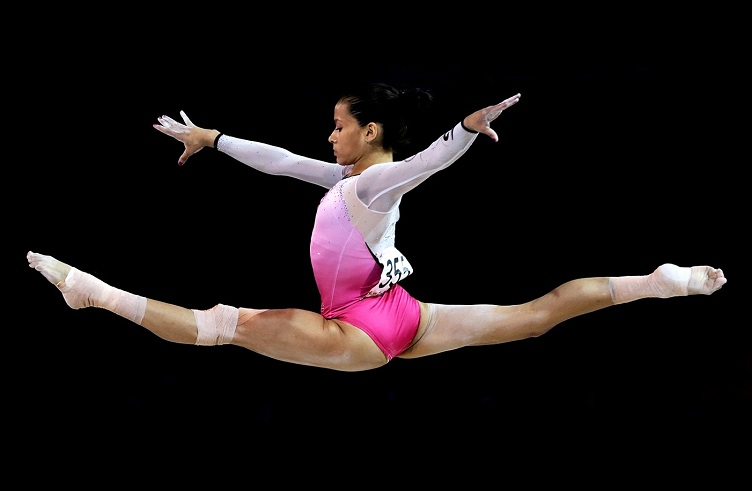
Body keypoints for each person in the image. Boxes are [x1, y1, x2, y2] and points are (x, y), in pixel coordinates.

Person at [26, 83, 727, 372]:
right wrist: (215, 140)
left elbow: (423, 164)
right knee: (535, 316)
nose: (329, 137)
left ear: (369, 131)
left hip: (359, 330)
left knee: (220, 325)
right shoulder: (345, 181)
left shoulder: (374, 181)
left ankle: (93, 294)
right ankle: (656, 282)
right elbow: (280, 161)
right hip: (402, 316)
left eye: (339, 126)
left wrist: (463, 130)